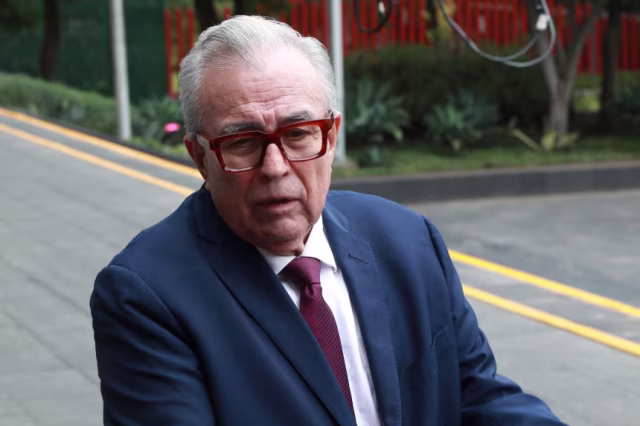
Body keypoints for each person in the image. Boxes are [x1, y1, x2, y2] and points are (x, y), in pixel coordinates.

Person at [91, 16, 565, 425]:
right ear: (200, 157)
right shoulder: (147, 296)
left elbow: (477, 396)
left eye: (298, 134)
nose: (275, 167)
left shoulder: (408, 240)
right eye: (243, 143)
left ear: (332, 135)